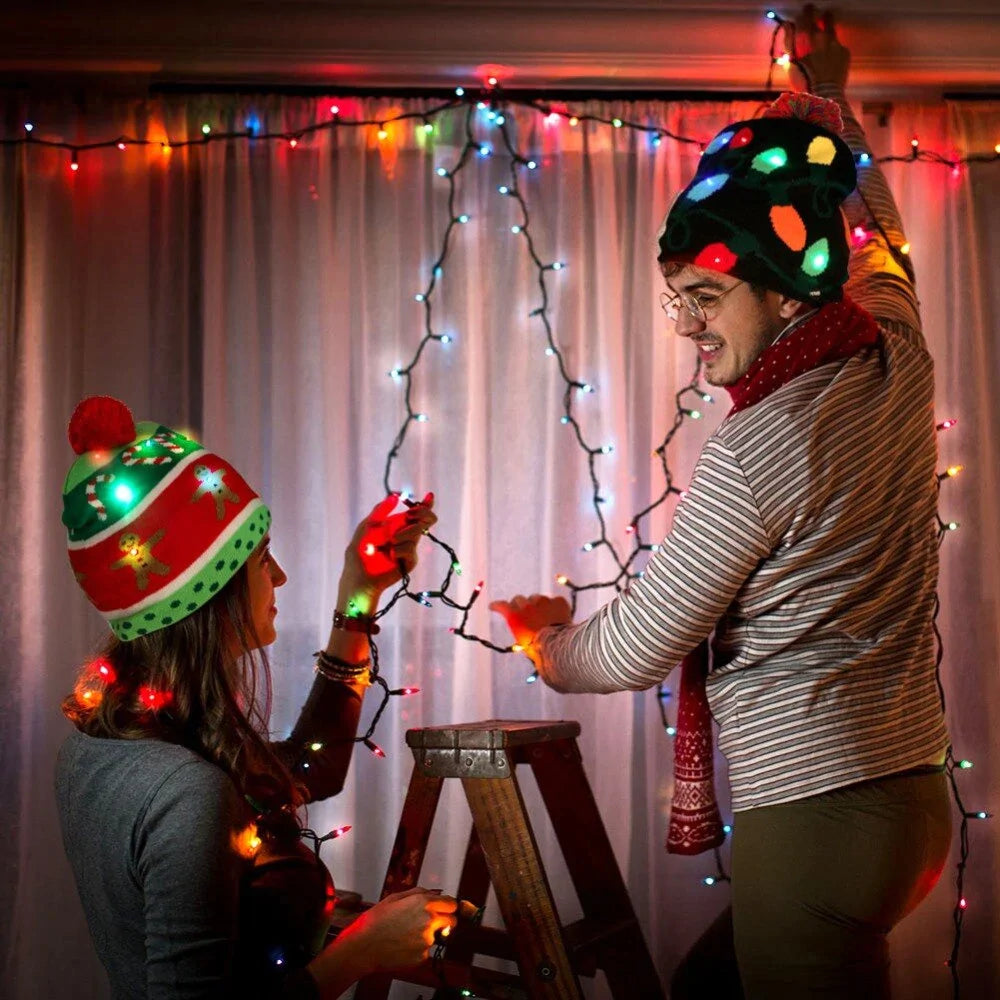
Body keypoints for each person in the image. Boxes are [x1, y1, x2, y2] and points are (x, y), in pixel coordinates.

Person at [490, 7, 951, 998]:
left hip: (818, 815)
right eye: (677, 299)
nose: (686, 326)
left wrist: (544, 641)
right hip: (909, 802)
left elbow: (634, 646)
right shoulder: (893, 349)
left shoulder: (758, 444)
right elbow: (873, 231)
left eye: (704, 297)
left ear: (784, 292)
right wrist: (826, 103)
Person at [55, 394, 457, 999]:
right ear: (205, 592)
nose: (281, 578)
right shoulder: (183, 789)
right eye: (262, 560)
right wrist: (361, 952)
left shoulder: (111, 742)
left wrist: (358, 595)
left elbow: (302, 771)